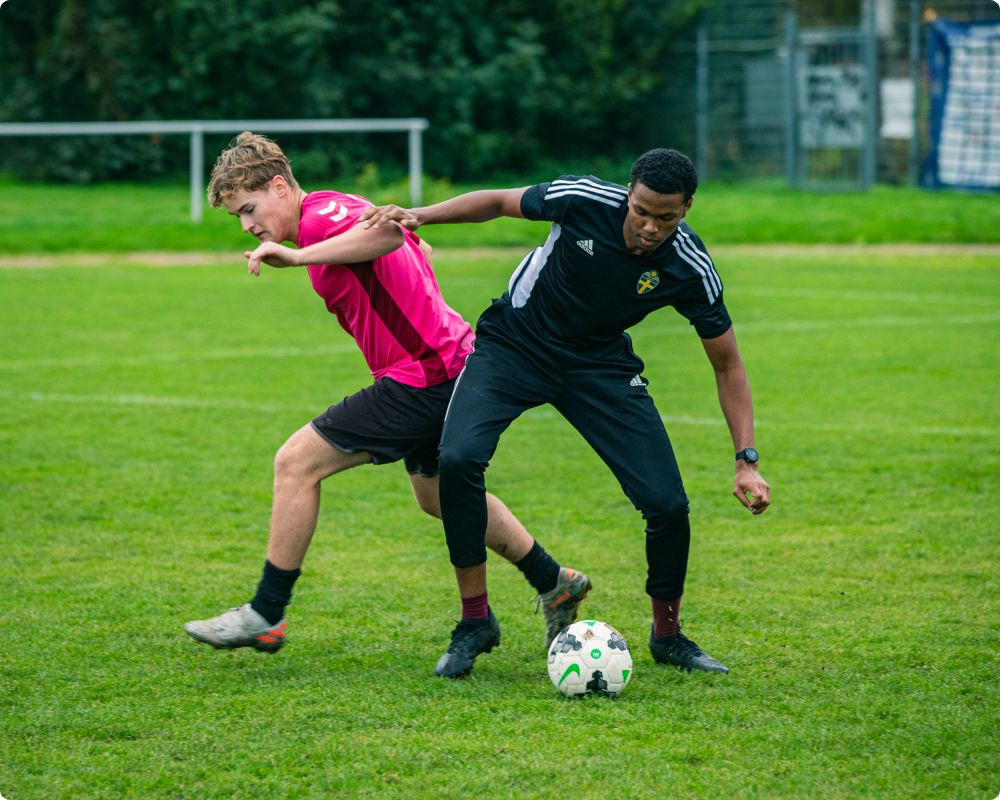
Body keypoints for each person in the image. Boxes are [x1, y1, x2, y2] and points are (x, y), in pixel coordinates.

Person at [184, 132, 591, 677]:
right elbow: (407, 243)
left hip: (422, 378)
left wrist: (300, 255)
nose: (247, 225)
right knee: (436, 496)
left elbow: (393, 236)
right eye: (238, 216)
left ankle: (266, 613)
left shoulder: (321, 220)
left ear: (279, 187)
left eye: (249, 209)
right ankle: (553, 581)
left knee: (296, 462)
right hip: (448, 365)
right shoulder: (334, 207)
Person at [360, 148, 771, 677]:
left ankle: (668, 636)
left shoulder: (688, 266)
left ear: (687, 208)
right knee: (459, 458)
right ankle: (474, 621)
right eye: (641, 210)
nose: (649, 227)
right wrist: (421, 214)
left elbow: (728, 365)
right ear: (628, 193)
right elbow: (498, 201)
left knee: (667, 503)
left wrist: (746, 458)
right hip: (515, 344)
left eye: (665, 217)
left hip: (597, 364)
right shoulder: (582, 199)